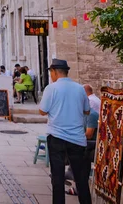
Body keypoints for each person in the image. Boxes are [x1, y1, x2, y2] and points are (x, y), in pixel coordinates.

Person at [39, 59, 92, 204]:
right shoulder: (80, 88)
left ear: (55, 72)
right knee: (80, 177)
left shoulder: (51, 88)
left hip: (57, 136)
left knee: (57, 176)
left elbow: (42, 111)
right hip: (77, 138)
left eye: (51, 73)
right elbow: (87, 111)